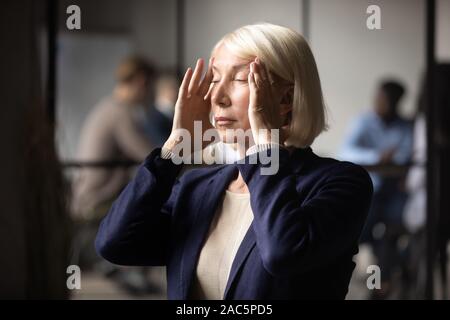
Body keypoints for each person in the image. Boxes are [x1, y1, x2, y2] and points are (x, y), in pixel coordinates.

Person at [95, 23, 373, 300]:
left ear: (286, 98)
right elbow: (115, 244)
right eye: (214, 79)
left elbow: (282, 253)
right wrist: (175, 150)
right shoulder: (198, 186)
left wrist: (266, 147)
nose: (216, 97)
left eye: (239, 79)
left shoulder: (342, 183)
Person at [71, 55, 157, 295]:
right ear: (141, 81)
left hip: (87, 195)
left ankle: (130, 273)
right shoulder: (119, 113)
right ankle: (132, 274)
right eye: (149, 87)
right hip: (98, 200)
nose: (149, 94)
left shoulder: (106, 107)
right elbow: (148, 154)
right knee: (154, 204)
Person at [339, 80, 413, 299]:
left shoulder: (406, 126)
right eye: (379, 98)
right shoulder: (363, 121)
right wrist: (377, 158)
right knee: (364, 236)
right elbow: (346, 153)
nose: (380, 104)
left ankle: (381, 285)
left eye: (386, 100)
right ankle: (383, 279)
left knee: (390, 235)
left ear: (397, 102)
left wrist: (390, 163)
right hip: (369, 191)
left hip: (394, 193)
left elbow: (407, 158)